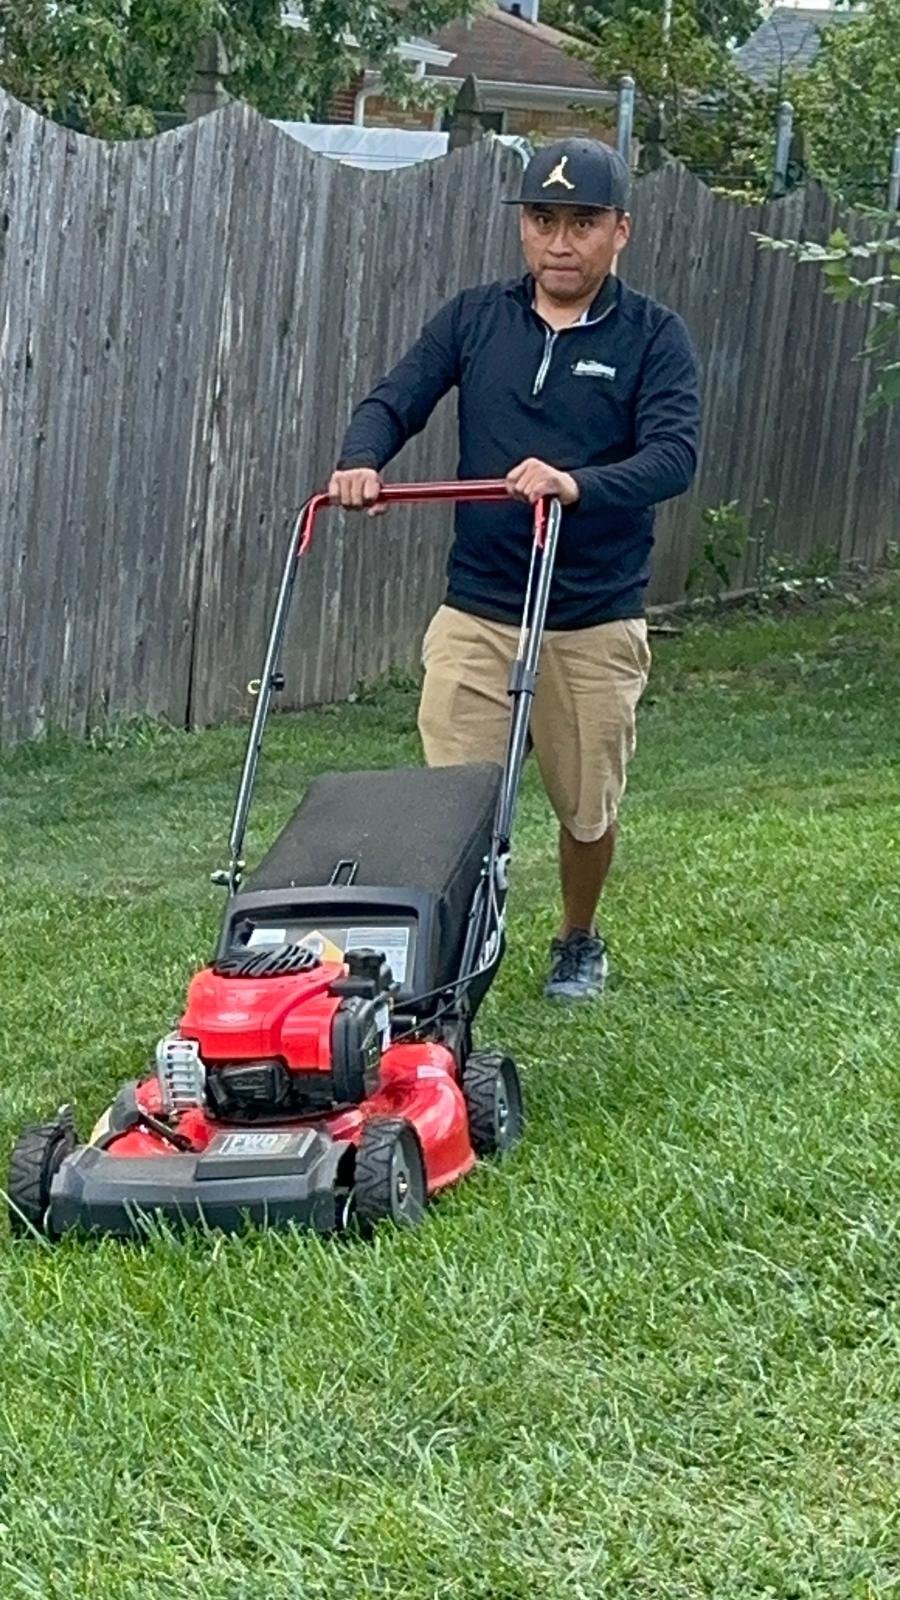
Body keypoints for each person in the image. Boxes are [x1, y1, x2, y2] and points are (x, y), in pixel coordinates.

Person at [329, 138, 701, 1003]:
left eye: (582, 223)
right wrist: (361, 459)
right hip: (480, 609)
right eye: (543, 220)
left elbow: (674, 457)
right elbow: (396, 398)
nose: (560, 242)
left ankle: (577, 937)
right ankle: (456, 953)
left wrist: (578, 484)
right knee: (455, 803)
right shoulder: (475, 319)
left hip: (592, 617)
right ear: (524, 227)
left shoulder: (654, 337)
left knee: (587, 807)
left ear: (620, 231)